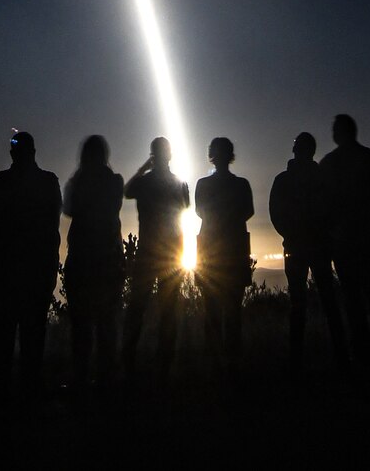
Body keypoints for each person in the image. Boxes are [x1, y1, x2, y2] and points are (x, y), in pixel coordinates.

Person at [321, 115, 370, 365]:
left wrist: (334, 230)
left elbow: (323, 204)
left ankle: (363, 353)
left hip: (344, 240)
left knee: (352, 296)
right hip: (364, 237)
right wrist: (369, 226)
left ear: (337, 133)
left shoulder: (329, 164)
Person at [0, 131, 62, 389]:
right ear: (33, 152)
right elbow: (53, 229)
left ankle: (2, 396)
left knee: (4, 337)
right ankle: (27, 393)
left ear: (13, 153)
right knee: (32, 337)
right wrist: (51, 268)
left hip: (8, 273)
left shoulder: (0, 182)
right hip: (35, 272)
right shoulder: (48, 182)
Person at [269, 132, 348, 373]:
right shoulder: (322, 178)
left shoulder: (284, 180)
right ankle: (341, 357)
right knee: (327, 300)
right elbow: (336, 209)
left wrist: (290, 235)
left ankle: (297, 361)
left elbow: (276, 214)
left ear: (296, 150)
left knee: (298, 302)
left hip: (297, 247)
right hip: (318, 245)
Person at [121, 137, 189, 379]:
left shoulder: (146, 182)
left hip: (148, 252)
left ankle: (128, 363)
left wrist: (143, 169)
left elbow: (126, 191)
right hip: (171, 253)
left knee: (137, 309)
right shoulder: (179, 183)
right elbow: (186, 207)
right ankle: (165, 367)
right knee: (168, 310)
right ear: (169, 155)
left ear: (152, 155)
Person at [62, 136, 125, 386]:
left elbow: (68, 208)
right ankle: (106, 379)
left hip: (81, 260)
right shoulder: (114, 182)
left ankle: (81, 378)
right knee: (106, 323)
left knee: (82, 325)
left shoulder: (77, 182)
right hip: (108, 259)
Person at [194, 136, 254, 370]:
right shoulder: (242, 185)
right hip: (234, 249)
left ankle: (214, 363)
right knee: (232, 310)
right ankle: (232, 363)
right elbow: (248, 211)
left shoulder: (203, 185)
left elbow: (200, 211)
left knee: (212, 309)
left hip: (211, 250)